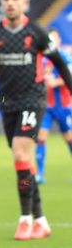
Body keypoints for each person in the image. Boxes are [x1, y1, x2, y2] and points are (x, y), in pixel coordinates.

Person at [0, 0, 72, 240]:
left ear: (25, 3)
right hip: (7, 104)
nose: (10, 3)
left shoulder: (37, 34)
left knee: (21, 154)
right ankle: (41, 220)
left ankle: (25, 219)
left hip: (33, 101)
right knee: (25, 162)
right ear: (2, 4)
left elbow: (62, 66)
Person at [35, 28, 72, 184]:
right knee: (41, 138)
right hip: (47, 107)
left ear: (58, 41)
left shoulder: (64, 57)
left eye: (54, 39)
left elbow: (69, 76)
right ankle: (40, 174)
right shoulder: (42, 59)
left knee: (69, 139)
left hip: (64, 106)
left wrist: (56, 82)